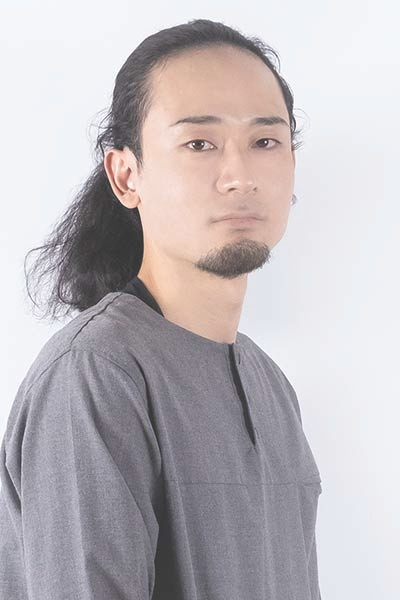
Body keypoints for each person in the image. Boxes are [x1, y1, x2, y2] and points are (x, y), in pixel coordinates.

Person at [0, 18, 322, 600]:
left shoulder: (272, 387)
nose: (239, 177)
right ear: (127, 175)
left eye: (265, 142)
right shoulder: (97, 374)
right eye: (199, 144)